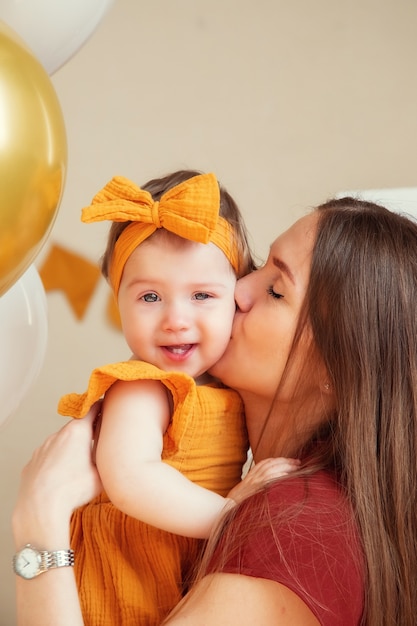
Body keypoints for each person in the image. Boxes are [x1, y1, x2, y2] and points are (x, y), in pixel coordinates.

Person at [12, 196, 417, 625]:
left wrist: (38, 519)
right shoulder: (283, 492)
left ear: (338, 368)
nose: (238, 289)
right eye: (258, 266)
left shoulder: (297, 532)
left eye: (276, 290)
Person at [55, 169, 296, 626]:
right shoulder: (143, 384)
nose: (176, 319)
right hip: (133, 568)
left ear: (237, 298)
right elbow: (131, 479)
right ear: (117, 301)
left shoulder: (224, 382)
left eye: (202, 295)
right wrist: (231, 516)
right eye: (150, 297)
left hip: (185, 554)